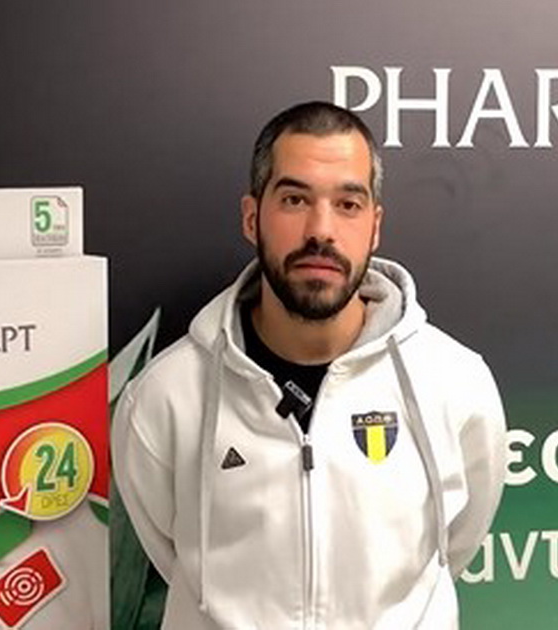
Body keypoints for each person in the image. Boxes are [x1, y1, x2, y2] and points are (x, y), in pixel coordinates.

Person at [112, 101, 507, 629]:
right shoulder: (167, 395)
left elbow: (455, 545)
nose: (321, 230)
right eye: (295, 199)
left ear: (374, 227)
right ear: (252, 217)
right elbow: (167, 549)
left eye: (348, 204)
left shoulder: (454, 382)